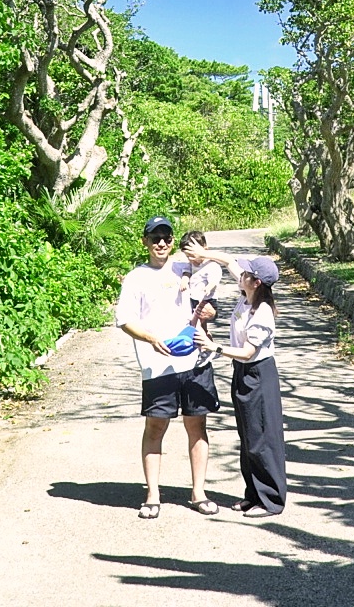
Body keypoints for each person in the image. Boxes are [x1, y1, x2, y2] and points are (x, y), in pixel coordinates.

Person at [114, 215, 221, 518]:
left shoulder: (185, 267)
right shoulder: (136, 277)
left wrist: (210, 312)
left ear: (174, 241)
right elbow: (124, 320)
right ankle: (152, 495)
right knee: (156, 426)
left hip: (195, 360)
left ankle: (198, 493)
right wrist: (150, 338)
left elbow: (209, 298)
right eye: (155, 237)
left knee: (197, 425)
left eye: (167, 237)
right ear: (145, 242)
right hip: (157, 366)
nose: (161, 243)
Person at [188, 246, 286, 518]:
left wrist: (213, 346)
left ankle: (271, 501)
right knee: (247, 437)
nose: (239, 274)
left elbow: (248, 352)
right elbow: (230, 261)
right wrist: (203, 252)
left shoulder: (263, 312)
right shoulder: (248, 296)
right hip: (242, 373)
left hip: (259, 374)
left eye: (246, 273)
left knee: (262, 439)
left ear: (256, 282)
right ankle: (252, 494)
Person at [180, 230, 222, 368]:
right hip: (195, 299)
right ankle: (209, 348)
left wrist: (208, 287)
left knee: (198, 327)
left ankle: (206, 349)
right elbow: (187, 271)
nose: (191, 260)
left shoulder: (211, 265)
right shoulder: (192, 264)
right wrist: (185, 280)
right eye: (188, 256)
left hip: (206, 300)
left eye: (193, 256)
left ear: (204, 249)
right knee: (201, 327)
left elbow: (215, 280)